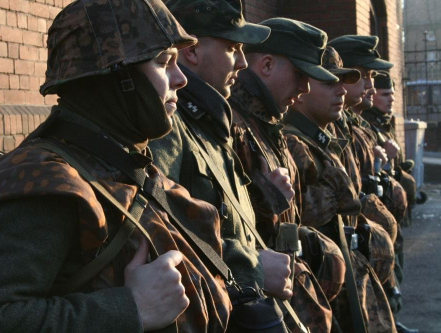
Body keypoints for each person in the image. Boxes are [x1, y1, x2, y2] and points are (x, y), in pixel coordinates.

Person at [0, 0, 233, 332]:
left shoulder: (122, 162)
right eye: (163, 62)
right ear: (116, 76)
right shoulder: (39, 182)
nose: (181, 78)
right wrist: (132, 308)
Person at [149, 0, 295, 330]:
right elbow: (161, 234)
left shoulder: (211, 120)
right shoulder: (170, 126)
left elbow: (221, 219)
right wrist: (253, 267)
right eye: (233, 48)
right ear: (192, 51)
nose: (243, 62)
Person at [228, 17, 345, 332]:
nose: (304, 89)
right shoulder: (232, 127)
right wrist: (261, 198)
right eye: (300, 76)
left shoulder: (268, 124)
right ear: (266, 65)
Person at [283, 46, 397, 333]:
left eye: (342, 83)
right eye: (329, 82)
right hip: (327, 287)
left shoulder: (325, 139)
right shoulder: (293, 143)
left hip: (352, 277)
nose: (342, 91)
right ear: (302, 89)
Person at [362, 72, 420, 333]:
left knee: (394, 268)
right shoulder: (366, 124)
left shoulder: (383, 123)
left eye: (392, 95)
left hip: (390, 216)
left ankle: (392, 320)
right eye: (385, 95)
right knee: (382, 275)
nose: (390, 99)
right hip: (373, 218)